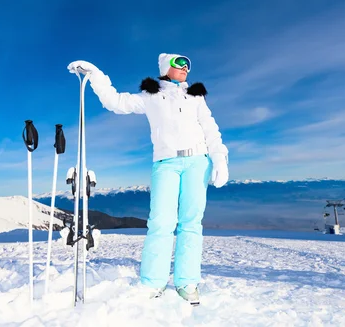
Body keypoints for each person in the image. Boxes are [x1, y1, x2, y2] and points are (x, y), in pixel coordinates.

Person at [67, 53, 229, 304]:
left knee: (191, 222)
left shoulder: (196, 97)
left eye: (188, 64)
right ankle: (153, 282)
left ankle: (187, 282)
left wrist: (219, 158)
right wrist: (96, 76)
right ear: (166, 68)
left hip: (198, 162)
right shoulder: (151, 96)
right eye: (180, 63)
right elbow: (116, 102)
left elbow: (210, 127)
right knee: (161, 222)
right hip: (165, 163)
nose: (186, 68)